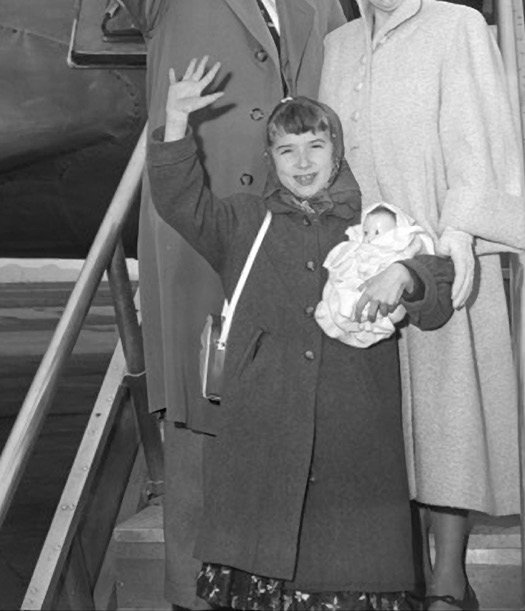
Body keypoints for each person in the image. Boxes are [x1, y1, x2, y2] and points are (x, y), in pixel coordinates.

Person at [90, 0, 346, 609]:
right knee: (200, 428)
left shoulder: (318, 2)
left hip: (292, 244)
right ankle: (189, 601)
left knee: (287, 415)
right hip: (203, 237)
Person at [148, 56, 455, 610]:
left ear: (336, 152)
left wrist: (406, 271)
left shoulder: (374, 225)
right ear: (271, 160)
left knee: (350, 568)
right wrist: (175, 122)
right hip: (263, 433)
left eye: (315, 145)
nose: (303, 161)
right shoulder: (244, 222)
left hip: (354, 438)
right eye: (287, 150)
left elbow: (438, 290)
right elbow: (179, 201)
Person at [319, 0, 525, 611]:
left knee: (447, 418)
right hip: (358, 259)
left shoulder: (457, 27)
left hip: (434, 253)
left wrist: (454, 241)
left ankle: (447, 579)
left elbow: (478, 138)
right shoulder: (338, 46)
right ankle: (390, 569)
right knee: (380, 421)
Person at [315, 202, 452, 348]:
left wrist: (403, 272)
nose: (368, 238)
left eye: (377, 232)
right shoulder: (356, 248)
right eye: (366, 232)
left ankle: (364, 323)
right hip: (357, 289)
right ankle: (344, 316)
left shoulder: (402, 251)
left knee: (387, 311)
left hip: (385, 302)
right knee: (342, 297)